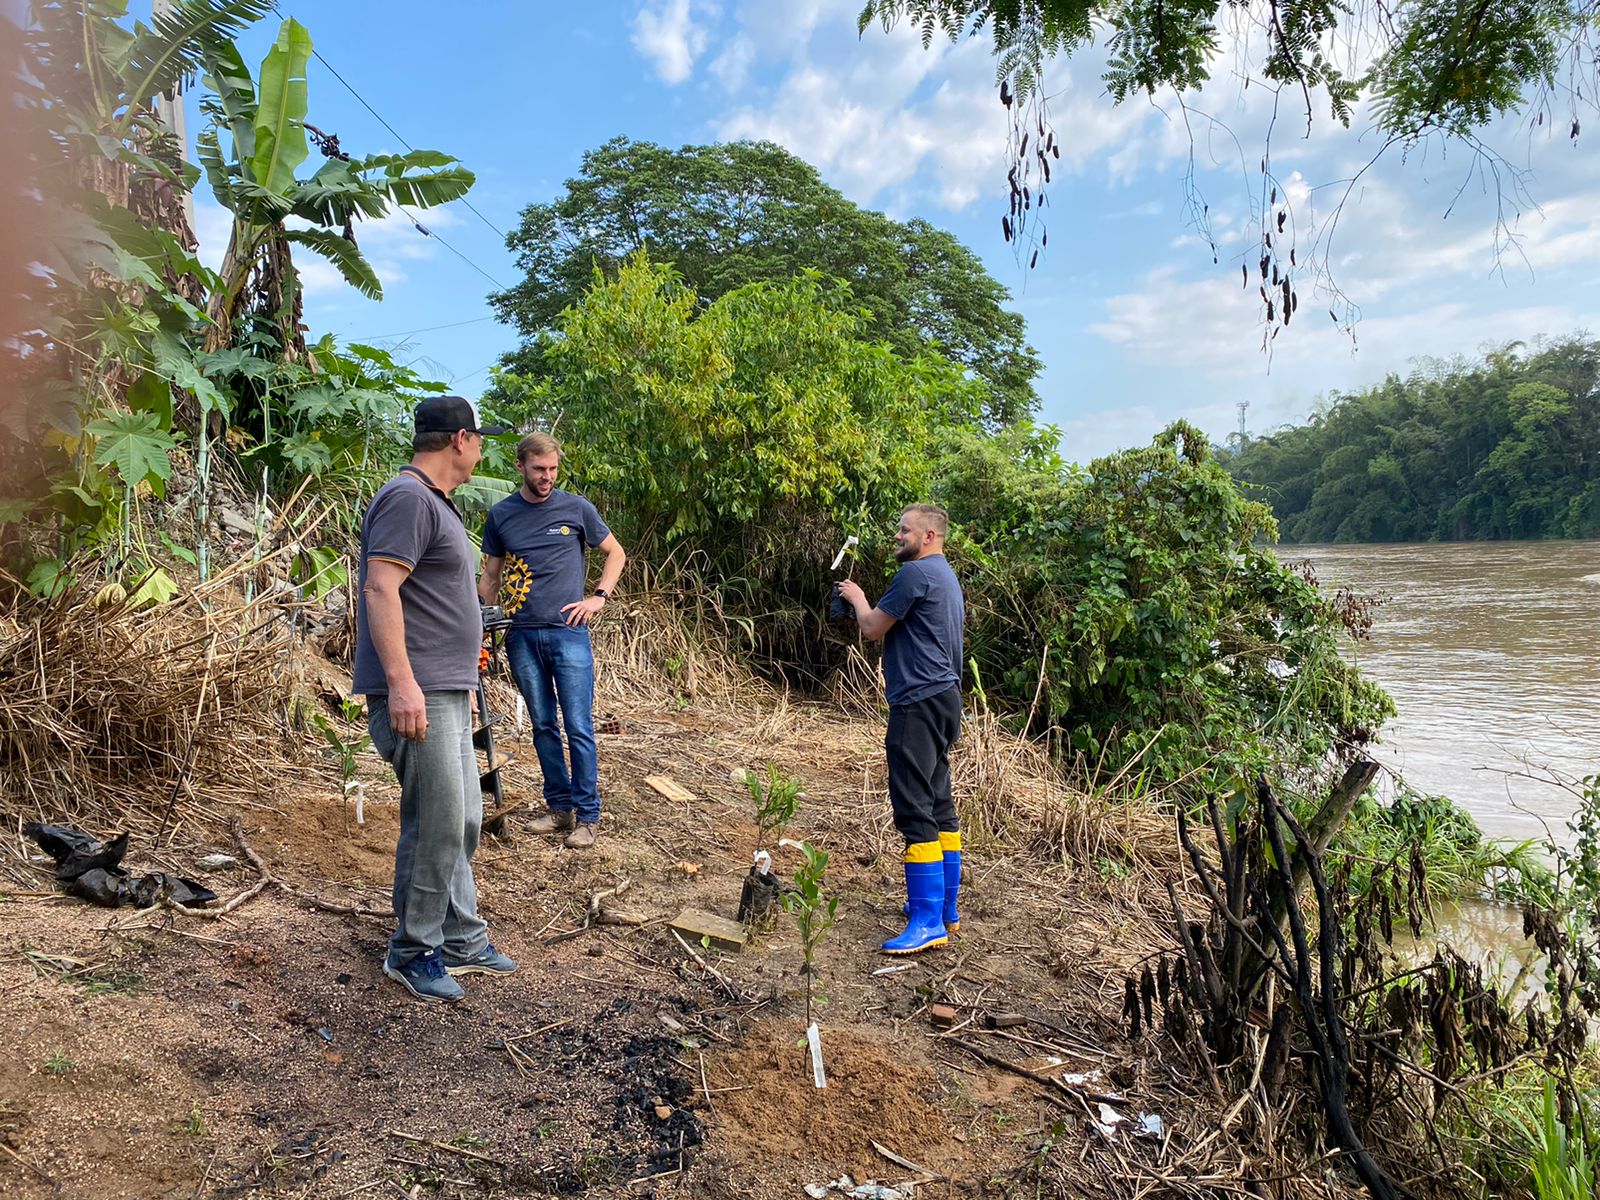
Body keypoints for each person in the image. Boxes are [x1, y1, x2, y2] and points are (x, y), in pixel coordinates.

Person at [353, 395, 518, 1003]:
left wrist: (464, 688)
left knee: (464, 816)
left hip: (445, 689)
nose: (482, 449)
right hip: (416, 690)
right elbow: (380, 589)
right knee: (439, 821)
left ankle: (460, 935)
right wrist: (400, 682)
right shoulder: (408, 499)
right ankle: (413, 947)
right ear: (459, 440)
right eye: (479, 439)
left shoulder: (436, 503)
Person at [478, 432, 626, 850]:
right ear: (520, 466)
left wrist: (598, 597)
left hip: (568, 633)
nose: (547, 477)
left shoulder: (576, 508)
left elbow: (616, 553)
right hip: (522, 635)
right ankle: (559, 809)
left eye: (553, 469)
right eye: (539, 469)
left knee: (578, 725)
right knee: (543, 725)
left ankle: (588, 816)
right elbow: (491, 574)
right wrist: (479, 620)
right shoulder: (502, 515)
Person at [837, 504, 965, 955]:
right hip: (946, 698)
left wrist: (855, 597)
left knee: (913, 807)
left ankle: (927, 920)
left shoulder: (915, 575)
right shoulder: (946, 577)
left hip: (917, 699)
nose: (897, 536)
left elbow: (872, 628)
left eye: (904, 531)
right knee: (938, 802)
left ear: (929, 536)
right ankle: (945, 907)